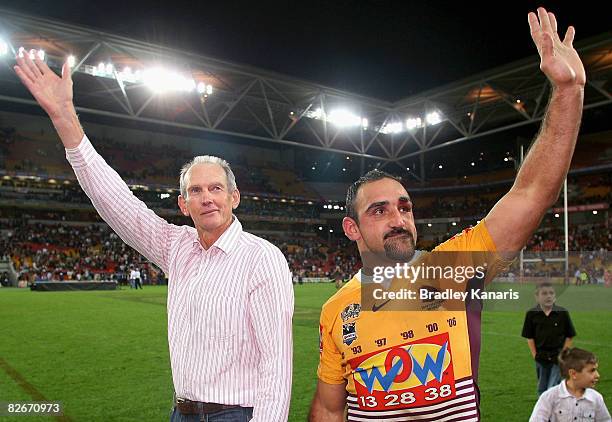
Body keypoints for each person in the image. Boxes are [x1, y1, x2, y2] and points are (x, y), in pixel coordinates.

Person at [309, 7, 586, 421]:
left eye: (404, 206)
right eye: (379, 210)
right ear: (352, 227)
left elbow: (531, 193)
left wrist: (568, 92)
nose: (398, 218)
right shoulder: (337, 310)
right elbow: (329, 410)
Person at [14, 49, 294, 422]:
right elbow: (118, 203)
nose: (206, 198)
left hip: (238, 414)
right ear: (183, 204)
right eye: (196, 191)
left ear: (234, 197)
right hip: (181, 412)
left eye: (215, 189)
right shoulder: (177, 247)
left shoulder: (262, 257)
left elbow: (277, 363)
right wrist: (66, 120)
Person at [522, 282, 576, 395]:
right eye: (544, 293)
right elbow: (530, 337)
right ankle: (543, 410)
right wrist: (535, 355)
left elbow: (569, 335)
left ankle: (554, 411)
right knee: (542, 387)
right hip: (541, 357)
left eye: (551, 293)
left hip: (558, 357)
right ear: (537, 297)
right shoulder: (531, 314)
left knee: (553, 386)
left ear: (555, 296)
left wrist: (563, 354)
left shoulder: (562, 313)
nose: (549, 296)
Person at [529, 348, 611, 421]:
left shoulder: (596, 398)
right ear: (573, 374)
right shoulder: (549, 397)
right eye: (592, 370)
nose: (597, 375)